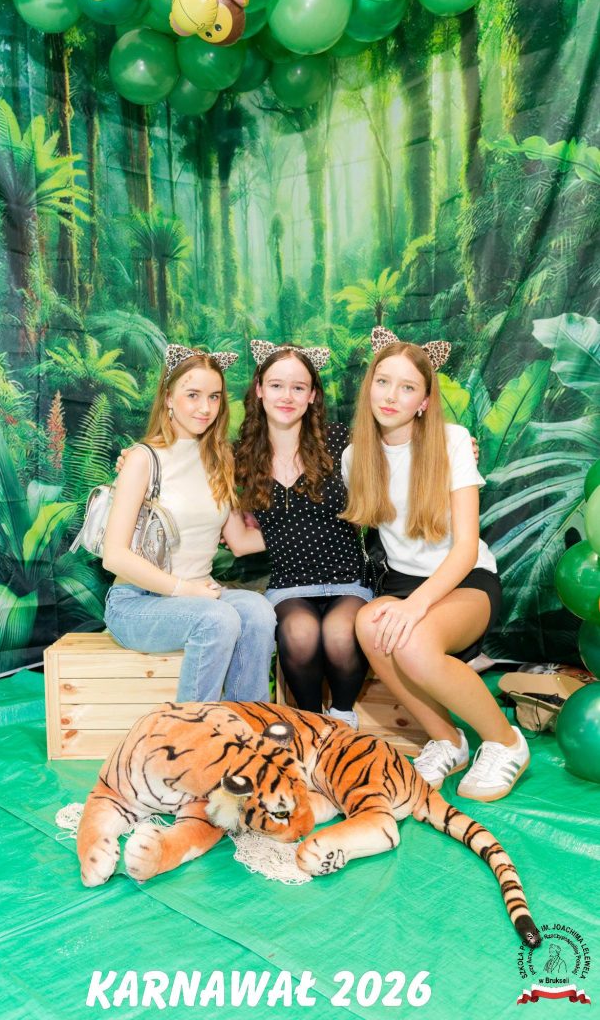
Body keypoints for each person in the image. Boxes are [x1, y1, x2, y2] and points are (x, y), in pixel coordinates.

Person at [342, 327, 530, 801]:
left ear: (424, 400)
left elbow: (465, 548)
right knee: (369, 625)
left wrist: (415, 607)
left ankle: (506, 742)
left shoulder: (452, 441)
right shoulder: (354, 457)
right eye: (383, 382)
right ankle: (447, 741)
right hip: (403, 582)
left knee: (414, 641)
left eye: (407, 387)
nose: (391, 396)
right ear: (369, 387)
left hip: (465, 580)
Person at [102, 343, 276, 703]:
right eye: (192, 395)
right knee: (218, 619)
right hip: (137, 602)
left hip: (202, 595)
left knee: (259, 611)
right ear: (168, 397)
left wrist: (310, 528)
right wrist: (185, 589)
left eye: (214, 397)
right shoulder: (142, 459)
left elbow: (240, 540)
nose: (205, 408)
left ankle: (246, 721)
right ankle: (192, 730)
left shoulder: (220, 458)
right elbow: (113, 556)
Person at [225, 339, 373, 728]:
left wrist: (453, 445)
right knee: (300, 632)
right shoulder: (240, 455)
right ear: (259, 390)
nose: (287, 396)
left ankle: (342, 719)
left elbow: (399, 455)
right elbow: (239, 543)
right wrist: (133, 460)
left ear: (312, 395)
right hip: (290, 585)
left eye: (298, 387)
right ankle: (310, 723)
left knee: (340, 633)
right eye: (276, 385)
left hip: (347, 580)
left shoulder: (341, 441)